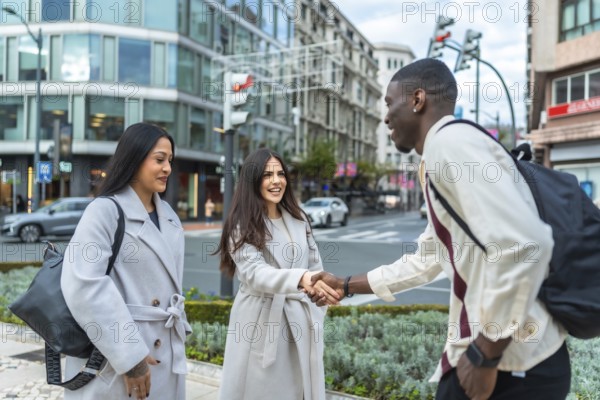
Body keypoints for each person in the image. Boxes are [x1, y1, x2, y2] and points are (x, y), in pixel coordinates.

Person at [310, 58, 570, 400]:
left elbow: (525, 245)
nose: (386, 116)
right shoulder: (442, 152)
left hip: (512, 365)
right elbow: (429, 258)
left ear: (417, 100)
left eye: (390, 104)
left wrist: (484, 355)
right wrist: (347, 285)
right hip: (509, 358)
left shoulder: (450, 145)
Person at [61, 123, 191, 400]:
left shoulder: (168, 215)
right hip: (117, 357)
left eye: (170, 160)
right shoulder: (104, 211)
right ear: (134, 159)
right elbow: (84, 287)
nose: (167, 168)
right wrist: (131, 358)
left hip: (165, 354)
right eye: (159, 160)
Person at [215, 148, 339, 400]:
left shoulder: (298, 218)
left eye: (280, 174)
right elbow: (255, 274)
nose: (276, 181)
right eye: (267, 175)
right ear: (253, 180)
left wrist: (320, 295)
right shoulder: (242, 223)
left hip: (300, 320)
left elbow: (315, 266)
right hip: (260, 323)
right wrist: (299, 279)